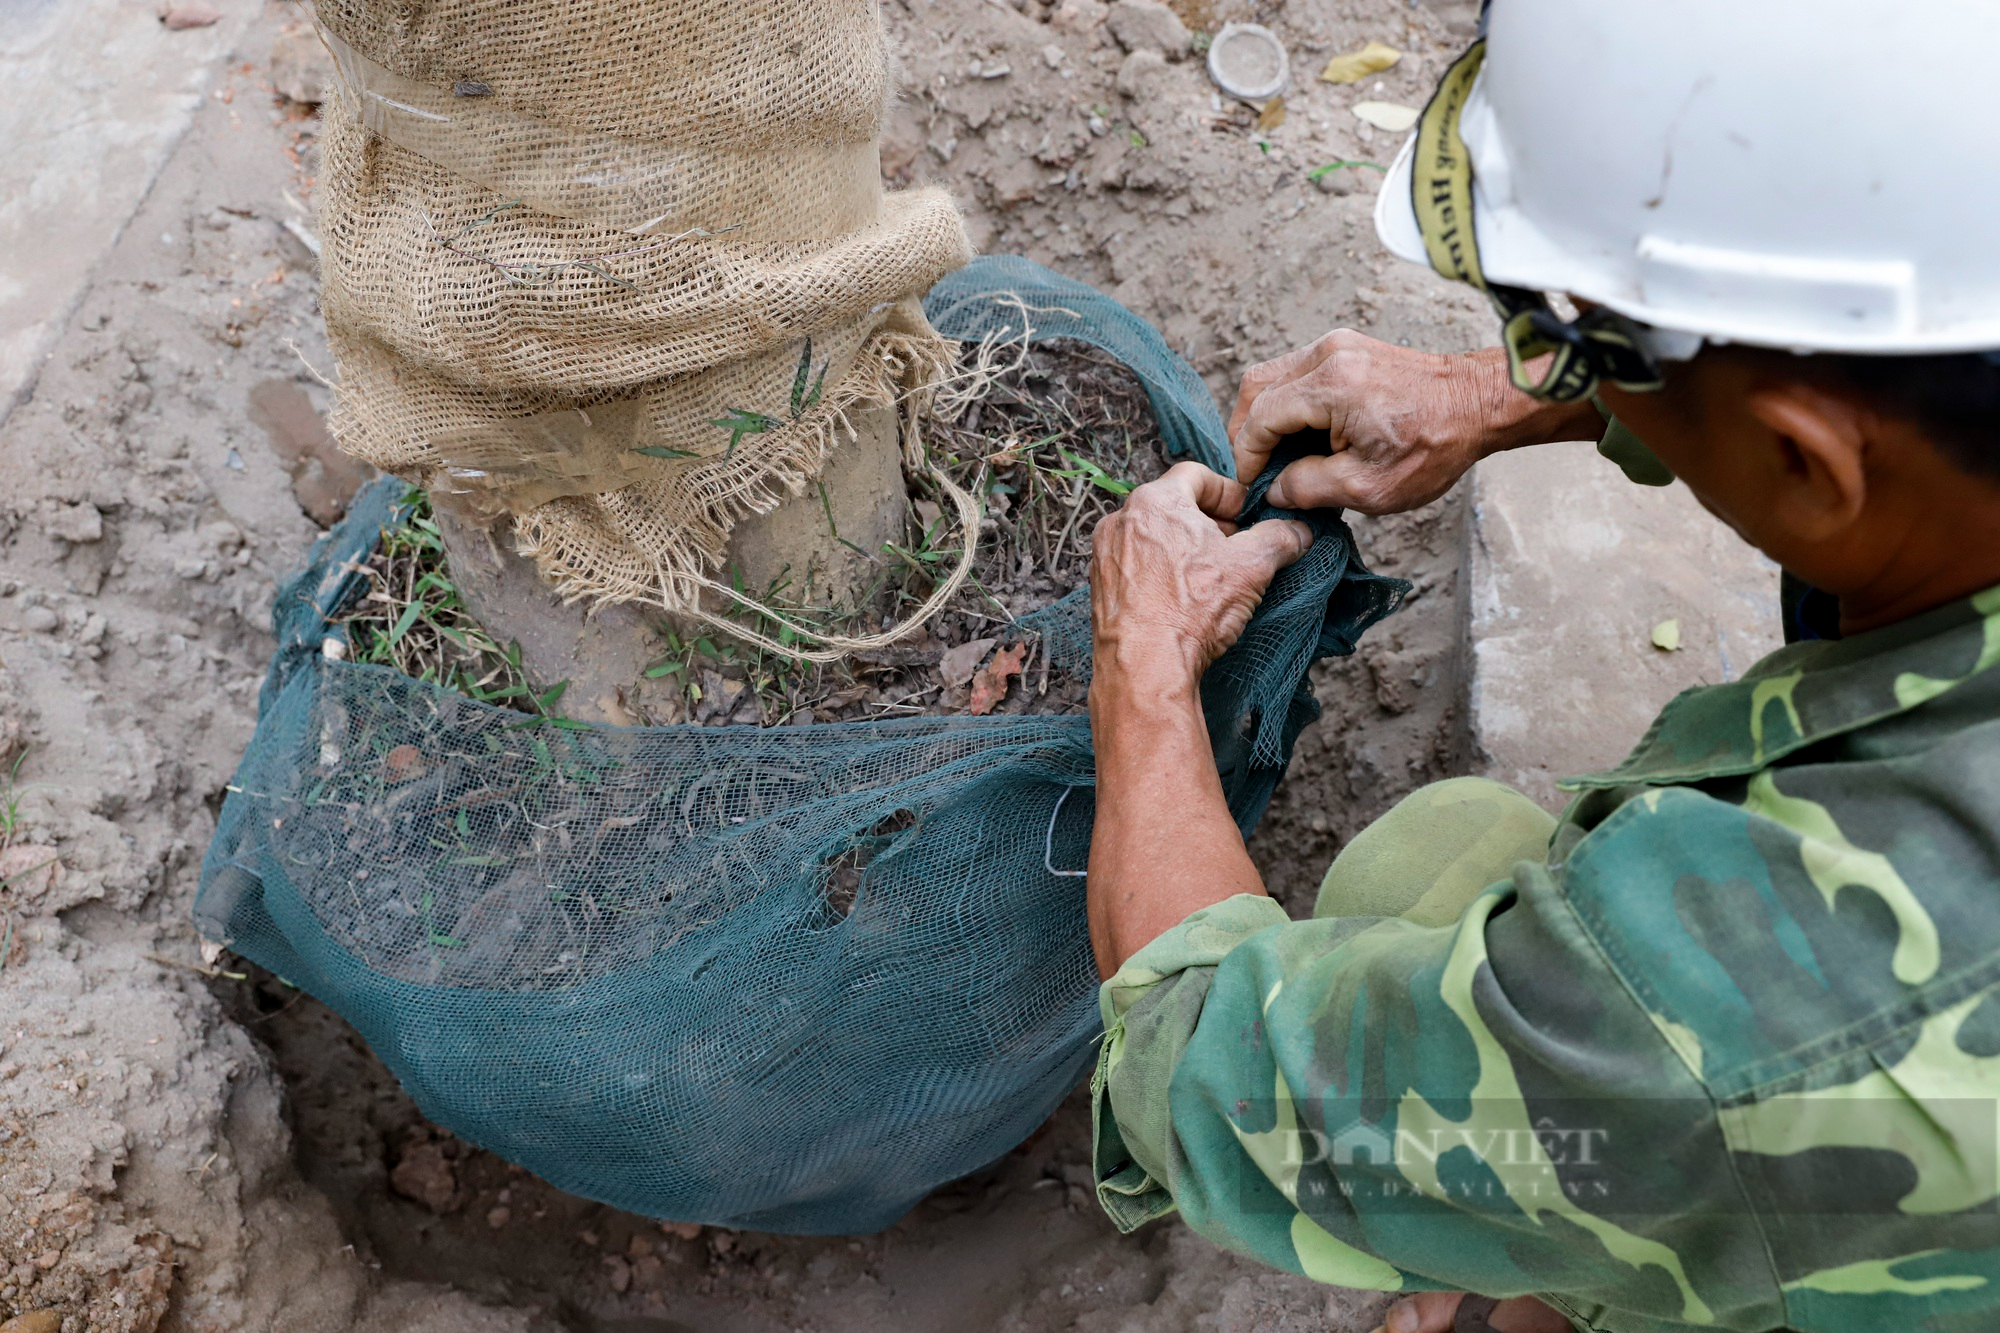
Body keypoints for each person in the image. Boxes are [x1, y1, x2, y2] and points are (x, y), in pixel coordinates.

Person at [1081, 2, 2000, 1331]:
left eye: (1577, 342)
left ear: (1809, 463)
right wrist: (1503, 393)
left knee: (1429, 878)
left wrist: (1144, 669)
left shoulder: (1729, 998)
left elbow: (1210, 1082)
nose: (1547, 363)